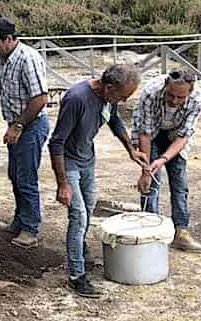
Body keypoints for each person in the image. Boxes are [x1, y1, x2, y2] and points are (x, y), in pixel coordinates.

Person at [48, 64, 148, 298]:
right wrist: (62, 183)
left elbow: (115, 121)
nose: (122, 101)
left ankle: (80, 251)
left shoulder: (108, 97)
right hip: (70, 164)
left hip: (87, 160)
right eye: (122, 96)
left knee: (89, 208)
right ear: (109, 86)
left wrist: (131, 150)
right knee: (79, 216)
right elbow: (56, 143)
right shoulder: (77, 99)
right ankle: (77, 275)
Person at [0, 16, 50, 248]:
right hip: (16, 124)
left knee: (26, 178)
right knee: (15, 175)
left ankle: (30, 229)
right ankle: (19, 221)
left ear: (9, 39)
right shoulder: (1, 57)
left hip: (31, 125)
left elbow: (40, 99)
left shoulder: (27, 59)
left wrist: (18, 126)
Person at [132, 70, 201, 253]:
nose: (174, 101)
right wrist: (146, 170)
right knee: (151, 182)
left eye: (180, 97)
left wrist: (164, 158)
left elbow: (183, 137)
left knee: (179, 181)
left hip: (176, 135)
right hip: (152, 132)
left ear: (190, 91)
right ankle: (152, 230)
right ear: (166, 85)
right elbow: (145, 133)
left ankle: (181, 231)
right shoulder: (151, 93)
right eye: (171, 95)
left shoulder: (198, 99)